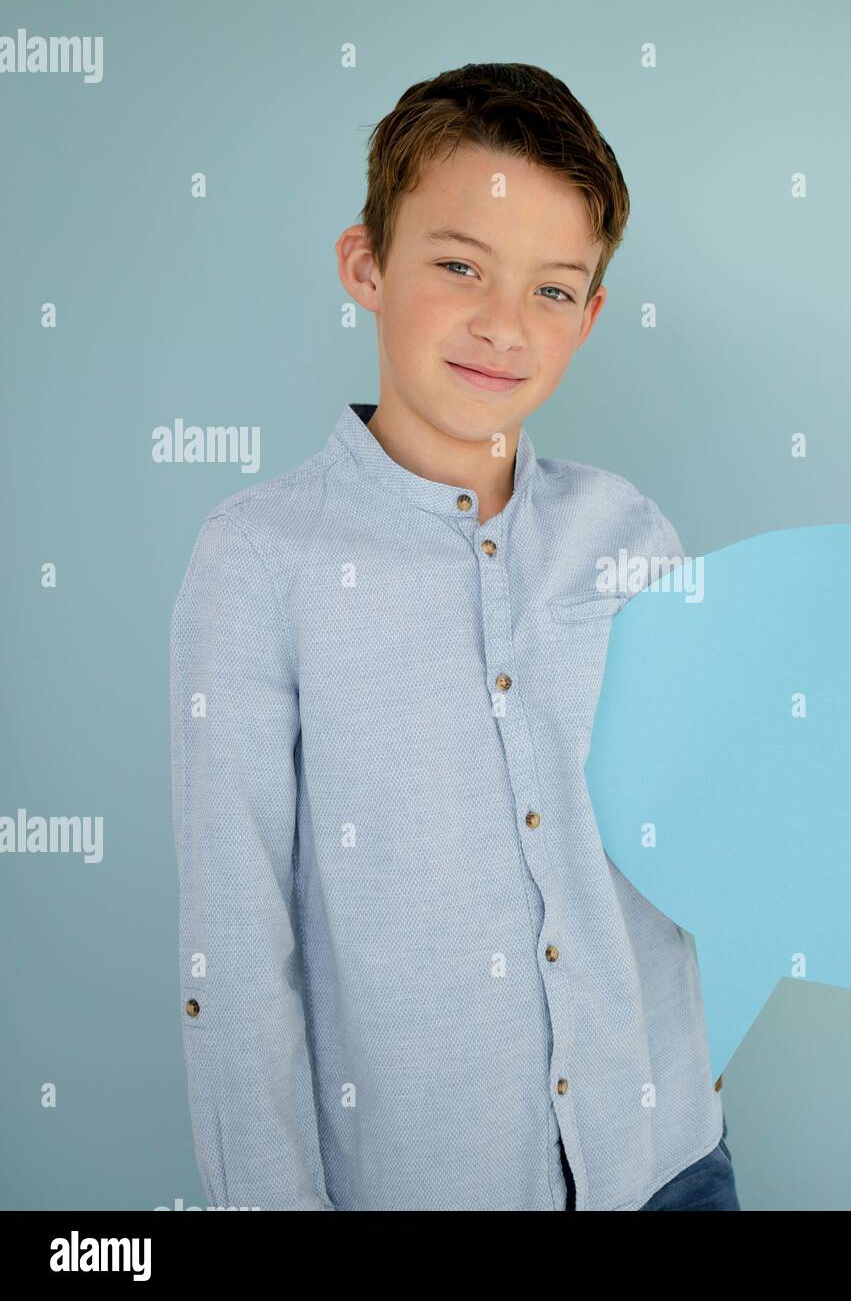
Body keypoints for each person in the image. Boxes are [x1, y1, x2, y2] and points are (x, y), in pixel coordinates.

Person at [169, 62, 739, 1211]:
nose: (501, 324)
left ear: (589, 313)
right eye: (459, 265)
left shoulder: (631, 534)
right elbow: (235, 953)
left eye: (551, 289)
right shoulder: (258, 563)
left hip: (668, 1160)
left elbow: (735, 823)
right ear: (366, 265)